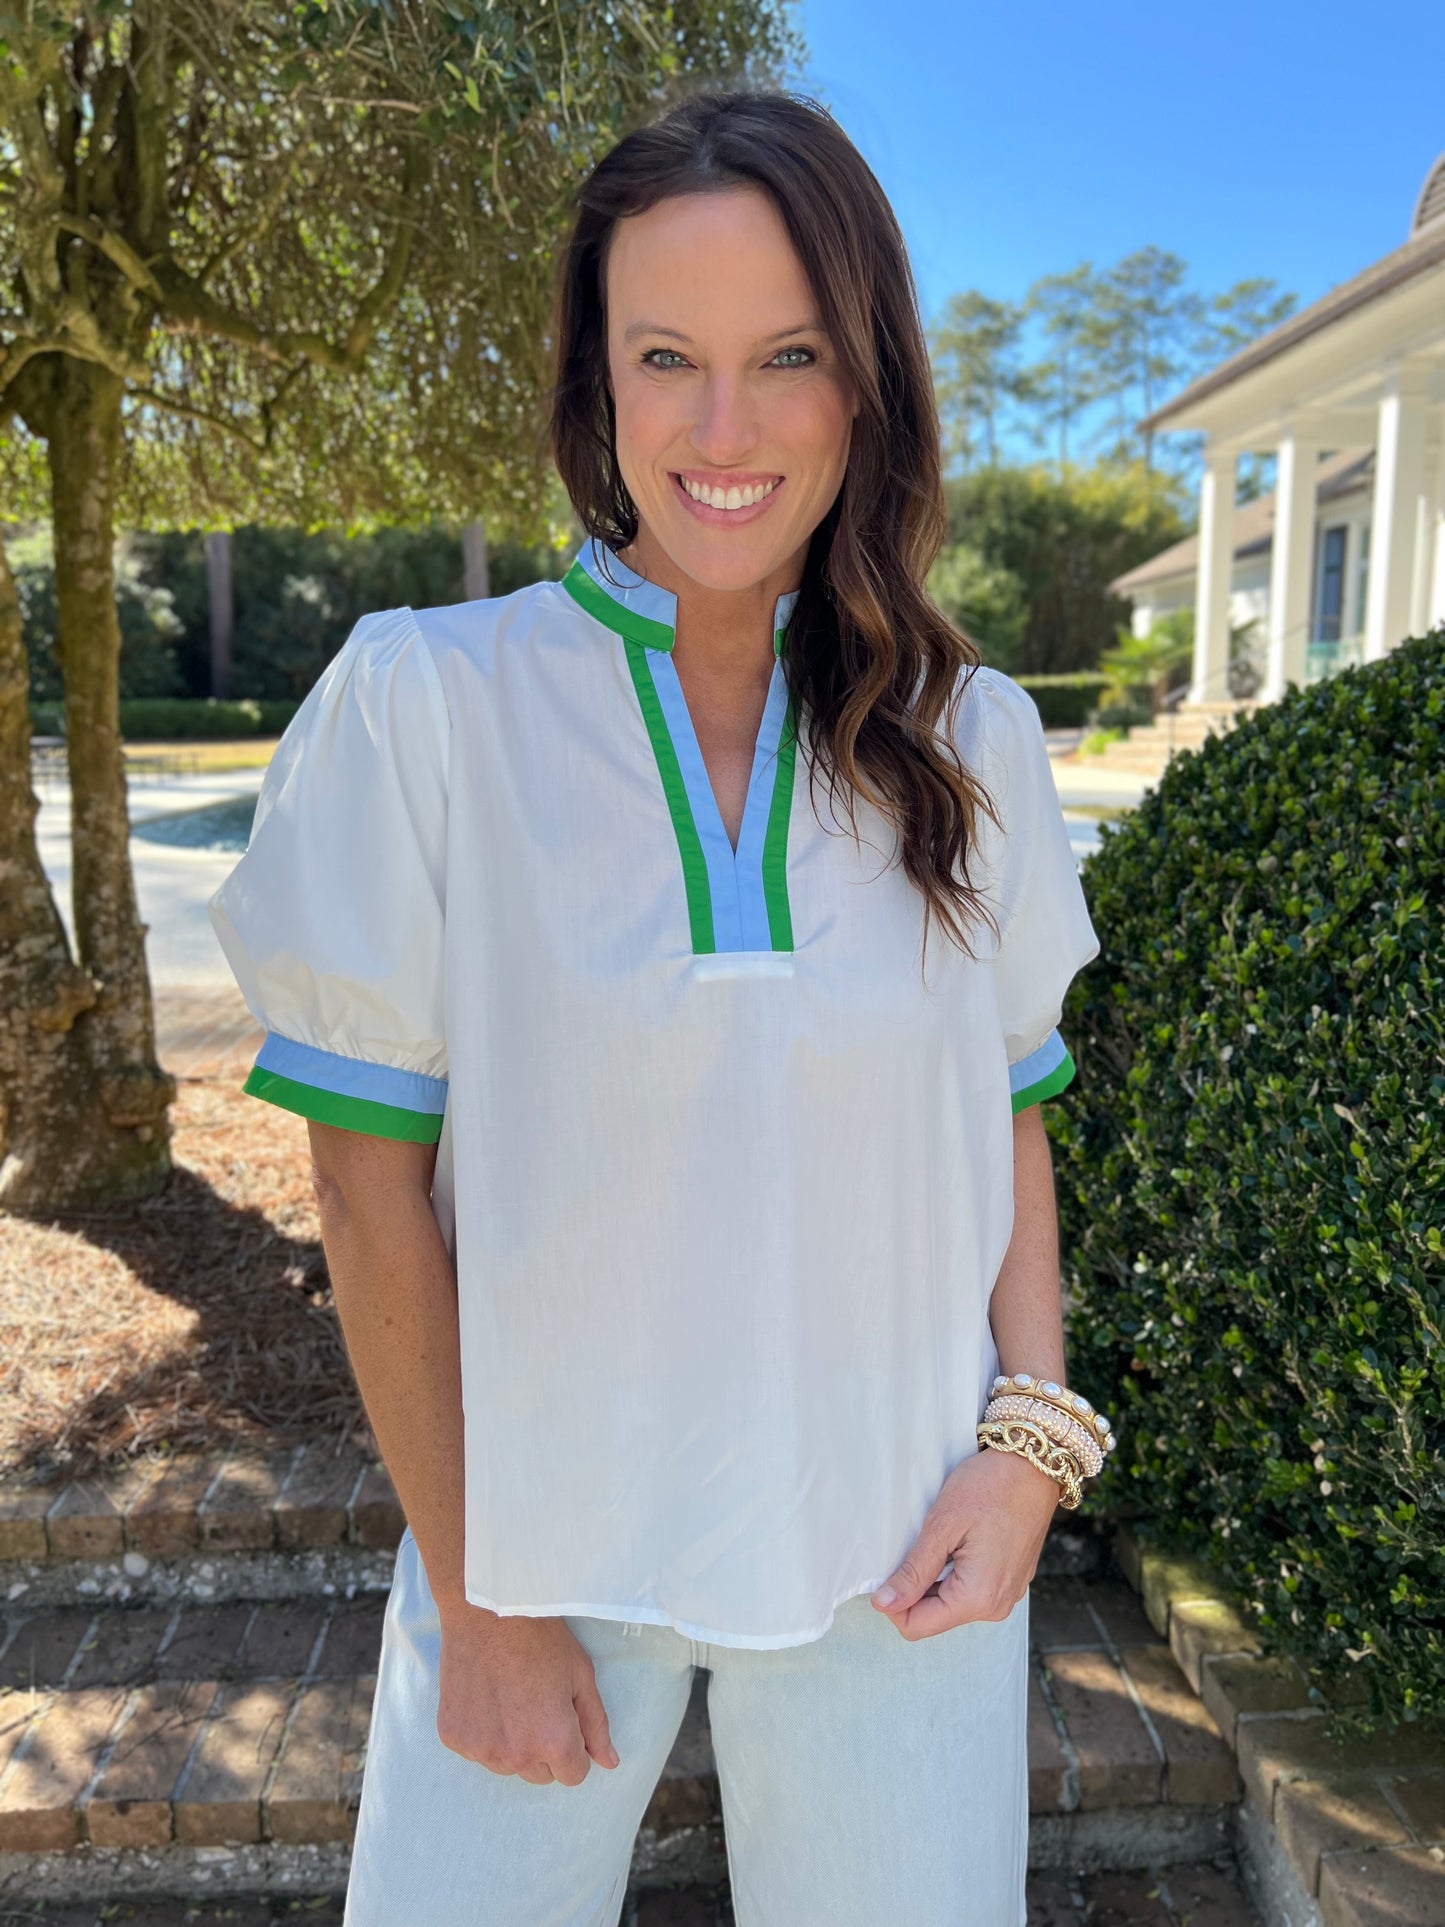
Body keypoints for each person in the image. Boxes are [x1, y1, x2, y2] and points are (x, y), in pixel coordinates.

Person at [210, 87, 1106, 1927]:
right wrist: (483, 1603)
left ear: (866, 381)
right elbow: (367, 1191)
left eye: (786, 357)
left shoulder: (976, 743)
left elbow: (1000, 1122)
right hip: (532, 1558)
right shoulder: (424, 704)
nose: (722, 430)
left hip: (905, 1563)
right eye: (663, 358)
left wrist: (1028, 1449)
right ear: (592, 385)